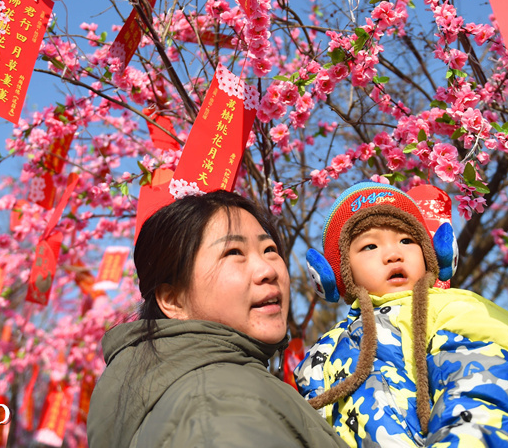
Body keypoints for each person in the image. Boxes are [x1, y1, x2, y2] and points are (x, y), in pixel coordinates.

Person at [296, 181, 508, 447]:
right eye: (370, 246)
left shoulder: (452, 312)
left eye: (407, 240)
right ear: (334, 274)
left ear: (433, 254)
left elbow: (481, 392)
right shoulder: (323, 351)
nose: (394, 254)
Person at [87, 190, 347, 448]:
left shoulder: (198, 394)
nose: (267, 270)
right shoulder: (217, 405)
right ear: (173, 300)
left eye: (269, 249)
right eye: (233, 252)